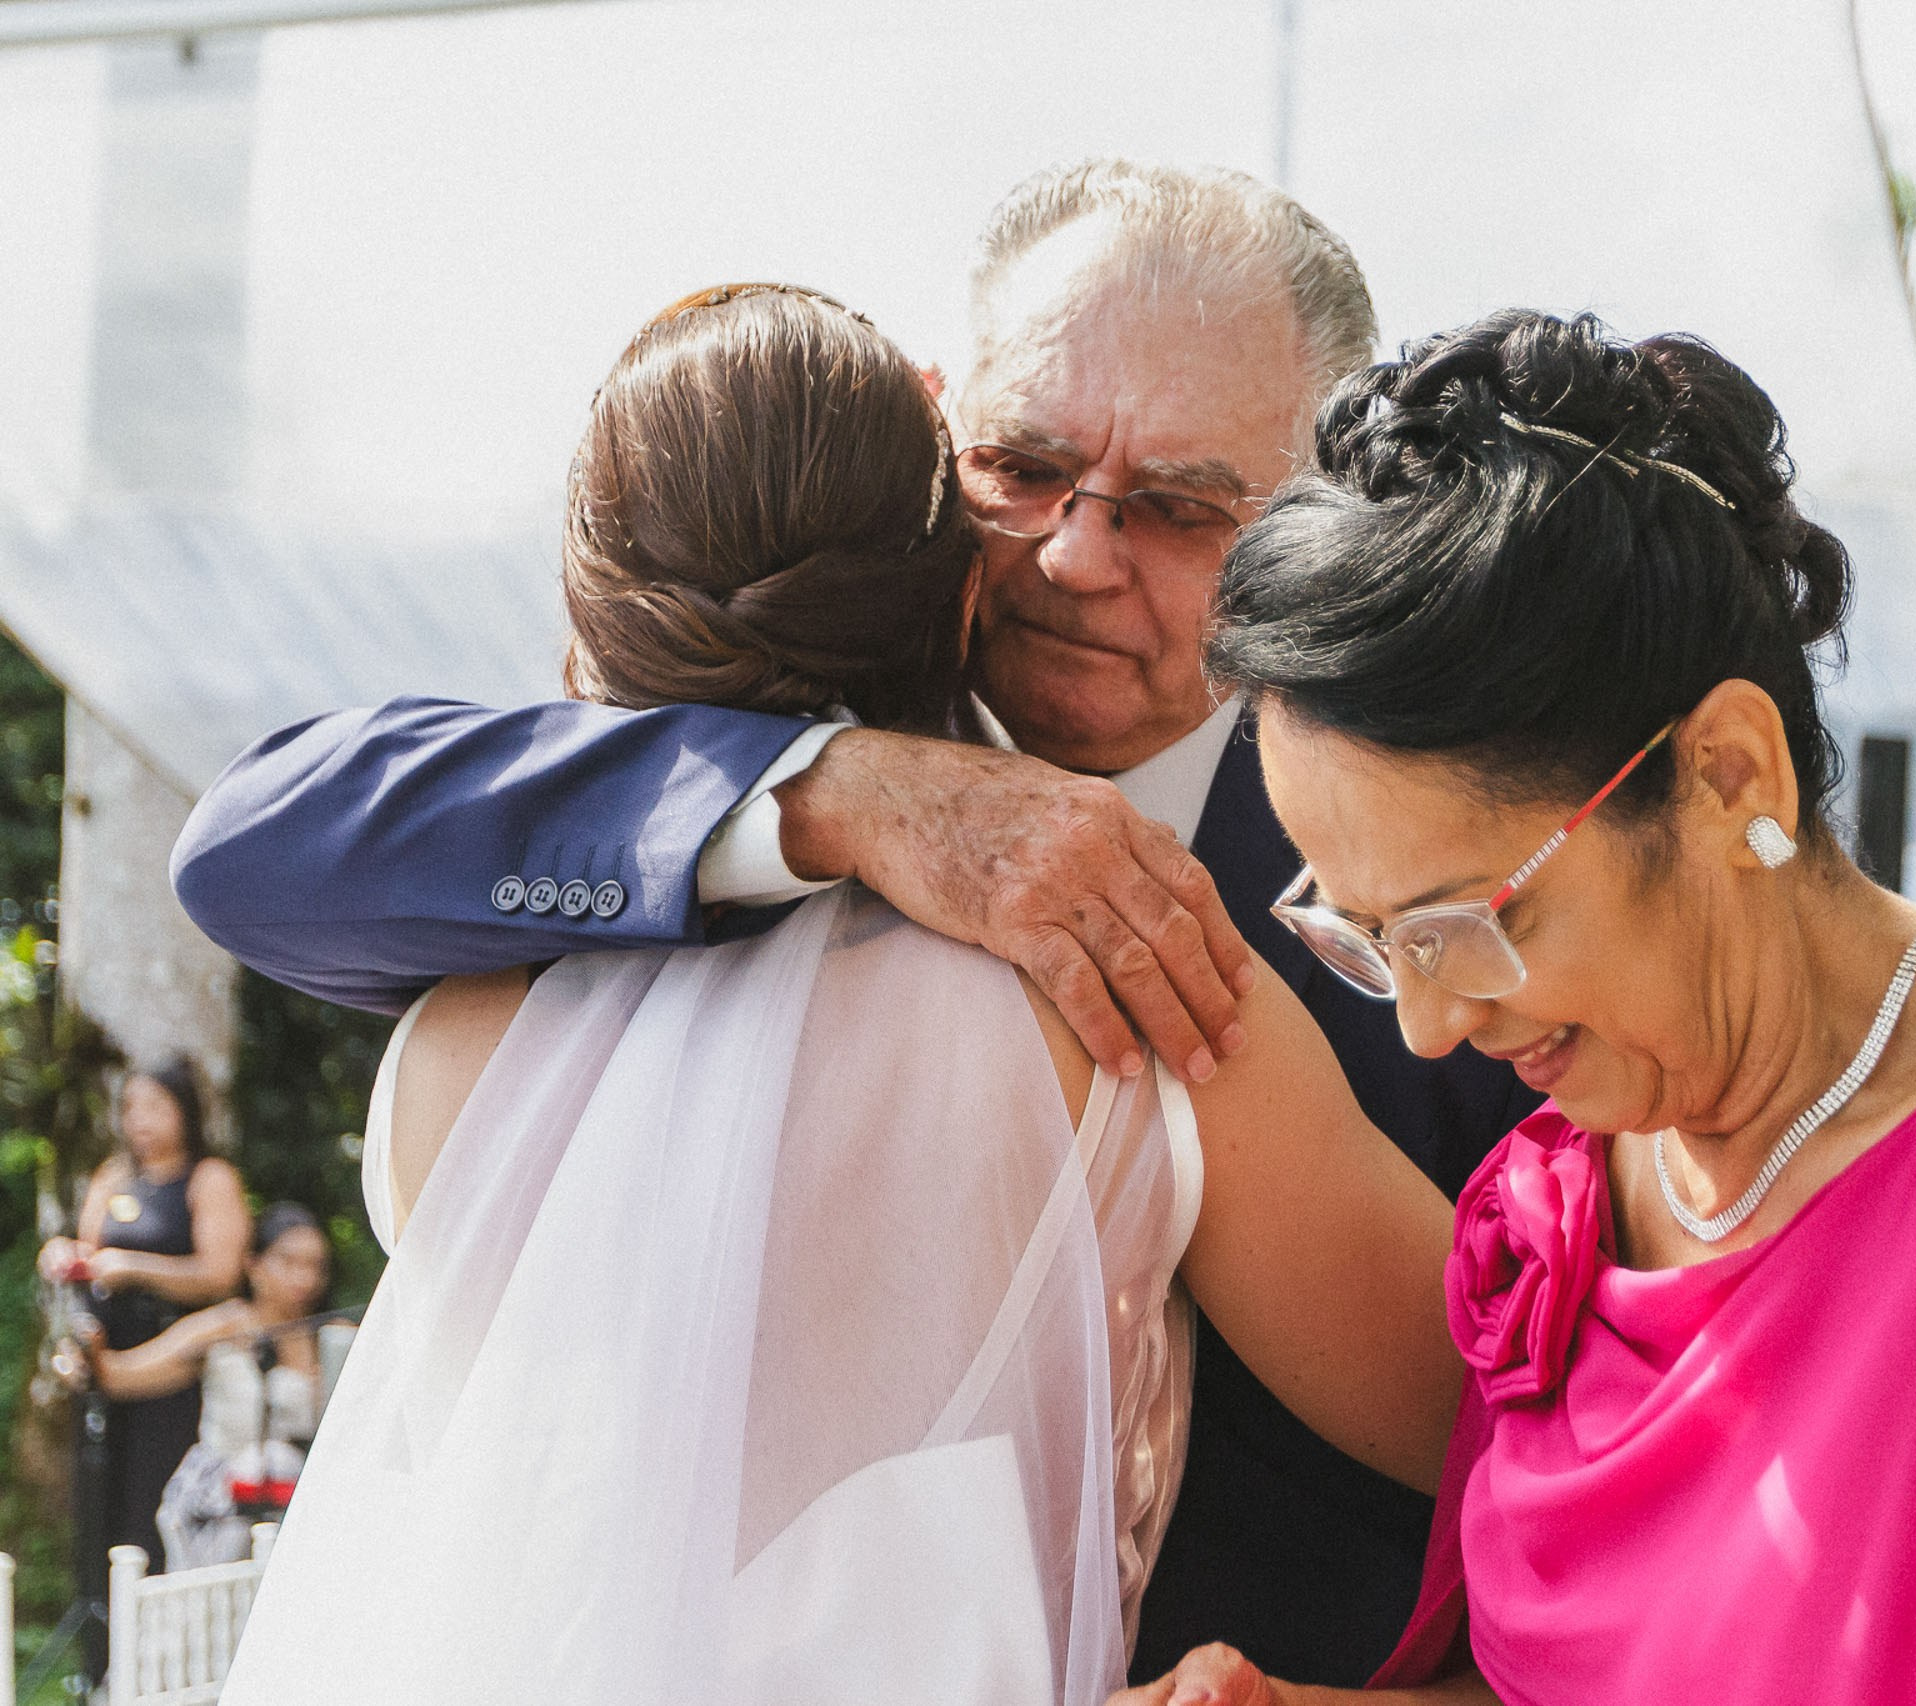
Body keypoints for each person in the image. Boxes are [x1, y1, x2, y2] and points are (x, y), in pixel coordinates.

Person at [173, 161, 1540, 1682]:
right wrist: (823, 792)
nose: (1080, 554)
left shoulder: (1458, 851)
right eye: (1024, 466)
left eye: (1177, 507)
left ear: (1314, 517)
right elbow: (249, 844)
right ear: (935, 432)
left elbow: (1583, 1465)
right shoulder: (683, 832)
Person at [1110, 310, 1916, 1705]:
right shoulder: (1603, 1163)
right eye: (1366, 935)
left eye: (1466, 923)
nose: (1424, 1022)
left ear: (1727, 774)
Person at [37, 1060, 250, 1591]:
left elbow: (221, 1274)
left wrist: (137, 1268)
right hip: (104, 1365)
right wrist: (64, 1255)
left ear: (186, 1110)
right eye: (130, 1107)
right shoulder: (115, 1175)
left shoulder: (208, 1178)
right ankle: (98, 1653)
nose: (140, 1120)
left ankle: (153, 1647)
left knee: (153, 1504)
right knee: (100, 1507)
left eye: (155, 1105)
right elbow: (90, 1251)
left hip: (171, 1371)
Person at [69, 1202, 338, 1570]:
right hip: (222, 1503)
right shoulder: (224, 1326)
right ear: (253, 1265)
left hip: (301, 1507)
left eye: (315, 1266)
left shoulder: (332, 1339)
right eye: (288, 1262)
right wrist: (87, 1354)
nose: (303, 1278)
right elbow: (121, 1375)